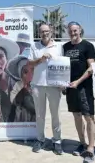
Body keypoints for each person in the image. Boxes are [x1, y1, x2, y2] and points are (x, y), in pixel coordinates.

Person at [63, 22, 95, 162]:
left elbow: (91, 67)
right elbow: (62, 67)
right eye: (71, 31)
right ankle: (82, 143)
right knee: (77, 116)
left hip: (84, 87)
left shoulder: (88, 46)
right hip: (70, 88)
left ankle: (91, 148)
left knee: (88, 117)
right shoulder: (65, 47)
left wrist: (78, 81)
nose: (73, 33)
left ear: (80, 30)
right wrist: (62, 84)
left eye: (75, 30)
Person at [28, 23, 64, 155]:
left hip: (54, 86)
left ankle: (57, 140)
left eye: (47, 31)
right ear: (39, 33)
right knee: (39, 115)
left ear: (51, 31)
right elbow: (29, 64)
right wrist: (40, 59)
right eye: (42, 31)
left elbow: (63, 65)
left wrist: (63, 83)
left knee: (56, 115)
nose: (45, 33)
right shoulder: (34, 46)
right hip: (37, 85)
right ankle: (40, 139)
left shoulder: (58, 47)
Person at [7, 56, 35, 122]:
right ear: (20, 73)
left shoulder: (37, 84)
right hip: (20, 117)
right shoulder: (18, 84)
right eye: (25, 72)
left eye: (32, 70)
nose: (29, 74)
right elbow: (11, 99)